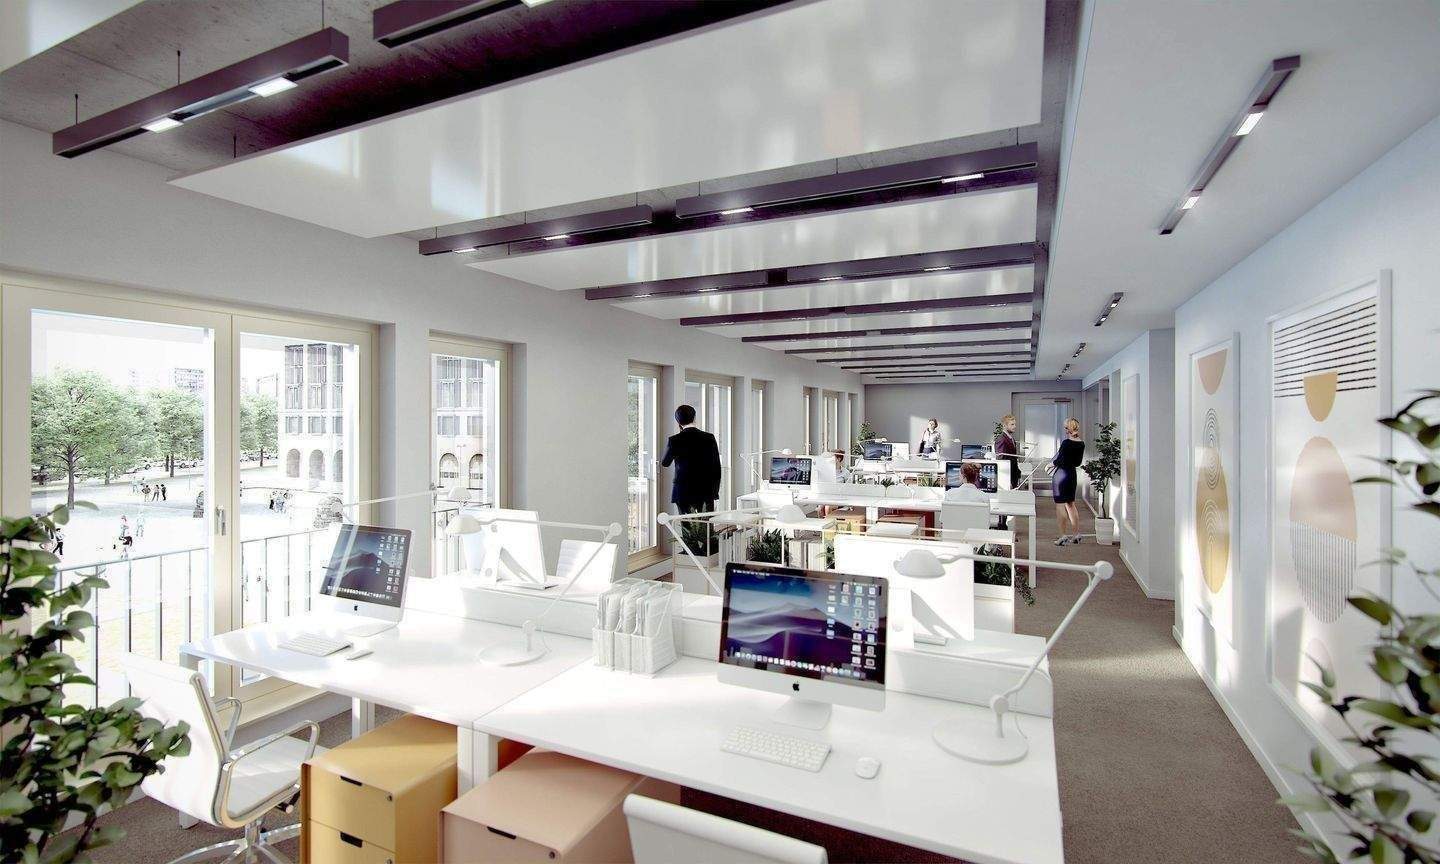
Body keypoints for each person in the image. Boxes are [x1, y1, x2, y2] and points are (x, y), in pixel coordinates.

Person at [661, 405, 721, 514]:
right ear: (694, 418)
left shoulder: (674, 440)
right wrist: (715, 493)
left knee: (686, 523)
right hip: (705, 491)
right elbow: (716, 468)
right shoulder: (709, 438)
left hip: (682, 491)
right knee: (705, 523)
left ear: (678, 421)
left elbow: (665, 463)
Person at [1047, 418, 1086, 545]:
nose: (1064, 429)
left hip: (1061, 475)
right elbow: (1078, 463)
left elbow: (1061, 460)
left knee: (1060, 505)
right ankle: (1076, 534)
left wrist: (1051, 464)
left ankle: (1063, 536)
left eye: (1065, 427)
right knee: (1071, 504)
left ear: (1068, 429)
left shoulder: (1066, 443)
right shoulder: (1081, 444)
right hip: (1072, 475)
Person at [994, 414, 1021, 528]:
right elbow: (1001, 460)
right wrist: (1006, 480)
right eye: (1012, 424)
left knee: (1008, 503)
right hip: (1006, 476)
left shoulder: (1011, 438)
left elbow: (1012, 459)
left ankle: (1004, 526)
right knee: (1004, 503)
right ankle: (1002, 527)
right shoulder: (1001, 439)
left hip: (1013, 474)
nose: (1014, 426)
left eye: (1015, 424)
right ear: (1005, 425)